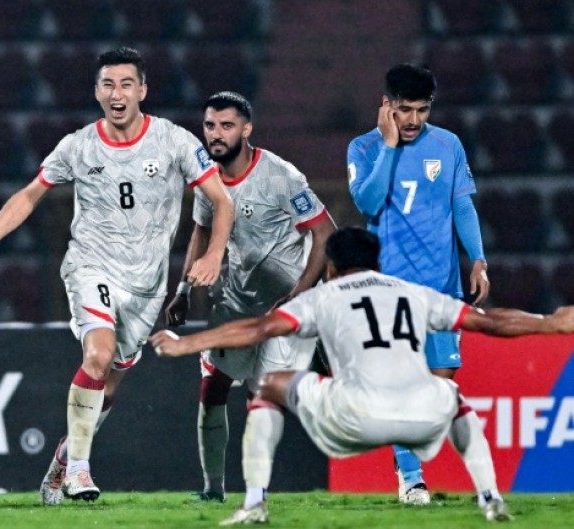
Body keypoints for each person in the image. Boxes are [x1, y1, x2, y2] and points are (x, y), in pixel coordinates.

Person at [151, 227, 574, 524]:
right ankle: (490, 498)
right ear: (377, 262)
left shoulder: (323, 296)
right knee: (450, 394)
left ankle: (256, 502)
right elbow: (489, 321)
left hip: (352, 418)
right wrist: (550, 323)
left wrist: (185, 343)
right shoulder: (414, 293)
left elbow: (258, 329)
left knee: (271, 385)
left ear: (331, 267)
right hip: (419, 419)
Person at [0, 47, 234, 504]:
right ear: (96, 91)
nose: (117, 93)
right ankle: (81, 472)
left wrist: (213, 256)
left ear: (142, 90)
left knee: (108, 382)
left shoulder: (172, 141)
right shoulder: (78, 145)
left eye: (127, 84)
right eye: (108, 84)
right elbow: (29, 196)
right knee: (97, 354)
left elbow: (221, 201)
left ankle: (64, 460)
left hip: (147, 285)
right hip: (92, 265)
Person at [164, 91, 336, 502]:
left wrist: (299, 295)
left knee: (264, 395)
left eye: (226, 126)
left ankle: (256, 494)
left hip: (284, 308)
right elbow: (201, 233)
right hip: (236, 304)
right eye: (209, 126)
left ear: (246, 129)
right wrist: (184, 288)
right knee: (213, 387)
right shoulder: (207, 180)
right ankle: (212, 489)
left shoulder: (280, 176)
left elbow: (325, 231)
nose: (216, 135)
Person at [346, 63, 491, 504]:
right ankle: (412, 478)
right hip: (388, 290)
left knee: (440, 384)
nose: (412, 120)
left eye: (422, 110)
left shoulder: (448, 145)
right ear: (386, 105)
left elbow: (462, 206)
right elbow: (367, 203)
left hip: (442, 288)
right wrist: (389, 147)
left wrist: (479, 260)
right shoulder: (364, 148)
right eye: (404, 109)